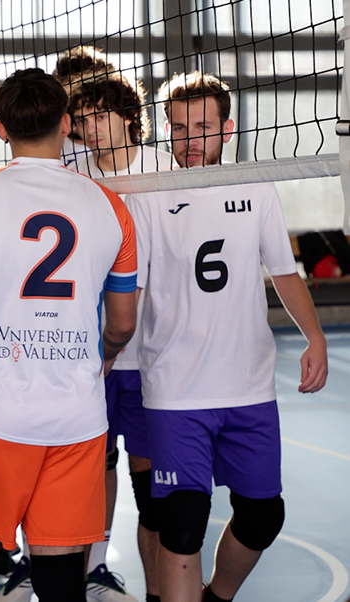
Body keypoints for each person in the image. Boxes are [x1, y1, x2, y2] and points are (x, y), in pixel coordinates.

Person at [0, 67, 137, 602]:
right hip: (76, 420)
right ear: (67, 123)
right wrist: (102, 356)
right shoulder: (111, 206)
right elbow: (124, 323)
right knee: (61, 576)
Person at [127, 71, 328, 602]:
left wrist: (316, 337)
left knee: (263, 513)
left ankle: (217, 597)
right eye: (178, 128)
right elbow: (136, 286)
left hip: (249, 385)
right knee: (183, 520)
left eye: (202, 127)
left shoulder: (256, 184)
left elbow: (284, 271)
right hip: (177, 388)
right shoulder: (148, 194)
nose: (190, 140)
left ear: (228, 129)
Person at [67, 70, 171, 602]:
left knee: (152, 497)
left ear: (130, 117)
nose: (90, 128)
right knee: (88, 476)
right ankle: (92, 572)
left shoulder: (167, 171)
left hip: (152, 362)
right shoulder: (73, 175)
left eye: (100, 115)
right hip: (93, 360)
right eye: (81, 119)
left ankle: (156, 593)